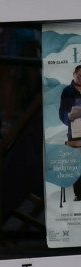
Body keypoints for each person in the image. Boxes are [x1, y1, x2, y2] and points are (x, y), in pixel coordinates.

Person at [59, 66, 81, 199]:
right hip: (75, 134)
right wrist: (68, 116)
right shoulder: (67, 91)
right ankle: (79, 194)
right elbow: (62, 113)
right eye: (79, 76)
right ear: (74, 74)